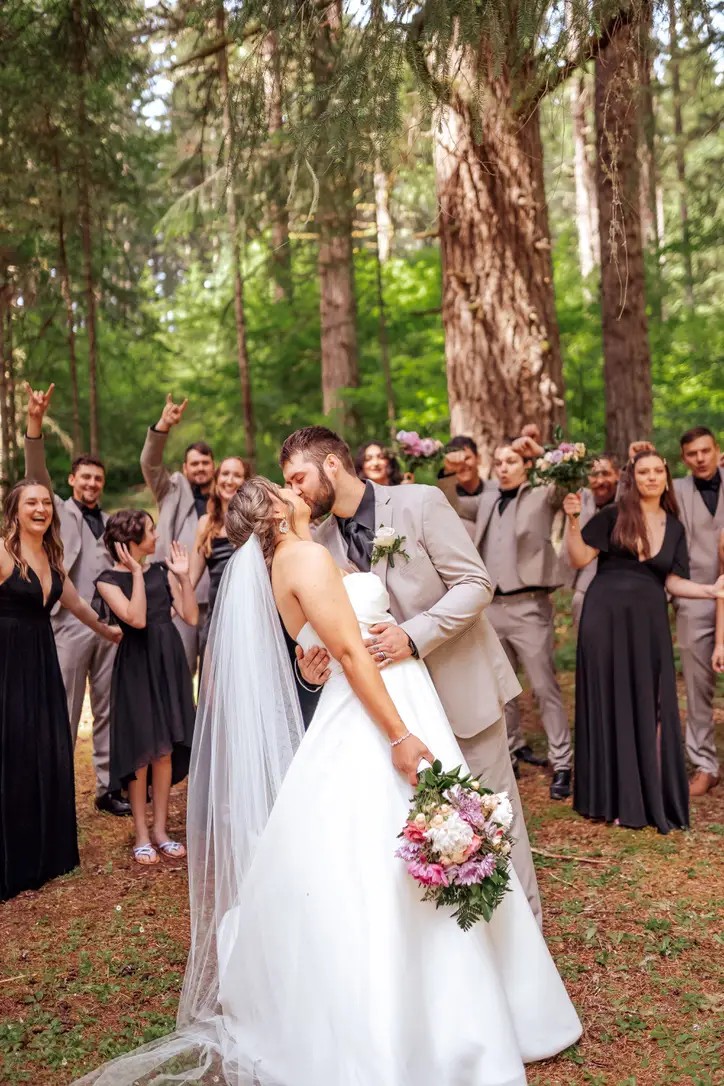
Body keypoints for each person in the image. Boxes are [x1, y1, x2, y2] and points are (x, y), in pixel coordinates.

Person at [73, 475, 581, 1086]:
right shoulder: (306, 557)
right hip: (379, 713)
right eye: (282, 488)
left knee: (398, 848)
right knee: (391, 853)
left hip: (372, 703)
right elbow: (349, 654)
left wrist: (316, 672)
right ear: (278, 513)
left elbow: (312, 650)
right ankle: (426, 1025)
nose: (294, 490)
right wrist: (398, 735)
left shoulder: (286, 561)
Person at [282, 426, 542, 926]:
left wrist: (414, 634)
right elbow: (335, 637)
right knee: (436, 825)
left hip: (460, 688)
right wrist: (313, 668)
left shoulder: (419, 503)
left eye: (299, 478)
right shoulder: (317, 545)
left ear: (331, 465)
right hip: (398, 714)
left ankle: (527, 934)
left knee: (495, 816)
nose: (296, 492)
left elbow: (475, 583)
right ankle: (469, 946)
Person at [564, 449, 724, 834]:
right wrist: (572, 520)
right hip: (604, 615)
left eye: (657, 472)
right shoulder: (614, 515)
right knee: (609, 697)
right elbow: (580, 559)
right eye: (643, 472)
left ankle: (645, 792)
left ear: (666, 478)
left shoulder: (675, 526)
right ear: (633, 478)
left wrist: (712, 590)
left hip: (649, 621)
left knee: (650, 700)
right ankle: (610, 797)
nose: (651, 477)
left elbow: (670, 580)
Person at [0, 480, 121, 901]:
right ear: (14, 510)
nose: (40, 509)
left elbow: (75, 603)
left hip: (41, 662)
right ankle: (10, 859)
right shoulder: (2, 551)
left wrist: (107, 630)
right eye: (31, 502)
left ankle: (43, 853)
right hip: (7, 664)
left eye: (46, 503)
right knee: (11, 750)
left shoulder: (52, 557)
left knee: (43, 748)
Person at [439, 435, 572, 799]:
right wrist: (448, 470)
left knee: (545, 686)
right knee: (503, 686)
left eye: (511, 461)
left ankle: (563, 762)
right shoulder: (487, 499)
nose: (504, 467)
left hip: (530, 606)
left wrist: (541, 452)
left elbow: (566, 482)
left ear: (526, 466)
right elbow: (448, 502)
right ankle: (511, 751)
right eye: (499, 463)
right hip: (492, 607)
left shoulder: (543, 494)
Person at [23, 382, 129, 817]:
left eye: (97, 479)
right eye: (84, 477)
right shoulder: (57, 511)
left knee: (107, 710)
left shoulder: (109, 521)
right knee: (65, 710)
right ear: (70, 481)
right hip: (68, 624)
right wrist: (34, 422)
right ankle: (57, 791)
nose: (91, 483)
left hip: (107, 627)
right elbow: (35, 473)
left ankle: (107, 788)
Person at [93, 510, 197, 866]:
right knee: (140, 754)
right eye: (151, 531)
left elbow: (191, 616)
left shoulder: (162, 571)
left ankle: (161, 830)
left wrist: (183, 579)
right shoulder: (106, 581)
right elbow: (135, 619)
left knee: (164, 750)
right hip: (137, 666)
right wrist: (136, 573)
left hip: (167, 660)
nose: (157, 536)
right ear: (133, 541)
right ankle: (140, 833)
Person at [140, 394, 213, 673]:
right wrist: (164, 426)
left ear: (213, 466)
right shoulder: (170, 491)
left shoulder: (227, 500)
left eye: (205, 463)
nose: (200, 468)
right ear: (185, 468)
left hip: (217, 597)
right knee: (179, 669)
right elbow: (149, 463)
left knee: (214, 677)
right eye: (194, 464)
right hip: (178, 598)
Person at [671, 427, 723, 796]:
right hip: (696, 597)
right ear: (683, 458)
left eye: (706, 450)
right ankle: (705, 764)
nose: (700, 458)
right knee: (698, 684)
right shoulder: (674, 490)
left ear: (717, 450)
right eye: (692, 453)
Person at [190, 456, 249, 661]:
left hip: (248, 617)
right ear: (217, 478)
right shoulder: (205, 523)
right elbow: (191, 578)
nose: (229, 480)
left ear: (246, 482)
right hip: (216, 618)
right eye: (225, 474)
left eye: (237, 475)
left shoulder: (255, 522)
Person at [570, 454, 621, 626]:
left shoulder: (627, 503)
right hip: (585, 589)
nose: (600, 480)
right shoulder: (580, 499)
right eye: (594, 475)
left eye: (606, 474)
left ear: (617, 475)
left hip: (621, 590)